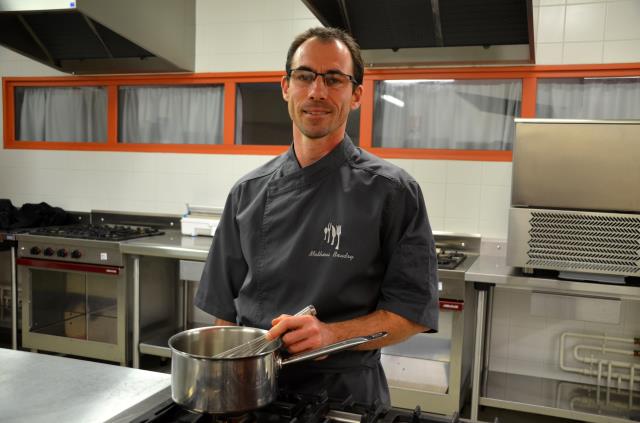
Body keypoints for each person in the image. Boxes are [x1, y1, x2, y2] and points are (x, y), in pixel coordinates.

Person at [195, 26, 438, 407]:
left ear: (356, 94)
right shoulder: (247, 192)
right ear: (285, 87)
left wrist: (331, 335)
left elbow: (410, 313)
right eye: (305, 76)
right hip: (253, 394)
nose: (317, 92)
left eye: (334, 79)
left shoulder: (393, 192)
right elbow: (224, 317)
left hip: (345, 397)